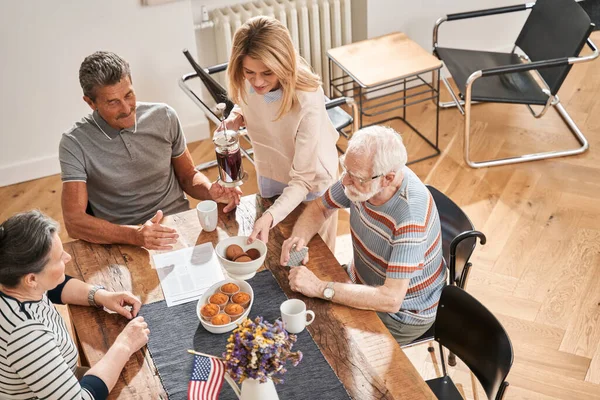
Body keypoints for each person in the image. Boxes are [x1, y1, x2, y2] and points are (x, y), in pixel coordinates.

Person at [279, 126, 446, 345]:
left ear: (387, 178)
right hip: (359, 279)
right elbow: (321, 207)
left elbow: (391, 300)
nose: (345, 181)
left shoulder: (410, 218)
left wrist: (320, 288)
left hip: (403, 314)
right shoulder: (363, 179)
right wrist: (298, 239)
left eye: (355, 176)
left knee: (324, 339)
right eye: (345, 169)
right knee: (294, 306)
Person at [59, 51, 241, 250]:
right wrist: (135, 235)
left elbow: (188, 175)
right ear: (90, 102)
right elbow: (74, 222)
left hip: (177, 226)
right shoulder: (74, 142)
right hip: (122, 240)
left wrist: (210, 191)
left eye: (129, 95)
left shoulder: (164, 116)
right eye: (113, 102)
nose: (127, 108)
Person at [0, 210, 149, 399]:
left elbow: (54, 287)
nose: (68, 257)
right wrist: (125, 344)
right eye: (59, 257)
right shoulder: (26, 336)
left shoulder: (17, 284)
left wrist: (101, 296)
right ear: (31, 279)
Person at [223, 16, 339, 248]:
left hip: (311, 182)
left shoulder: (307, 97)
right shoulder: (248, 78)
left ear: (283, 65)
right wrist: (235, 117)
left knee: (312, 255)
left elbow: (303, 180)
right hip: (270, 169)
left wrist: (270, 216)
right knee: (275, 245)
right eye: (249, 72)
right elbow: (246, 100)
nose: (257, 82)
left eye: (267, 73)